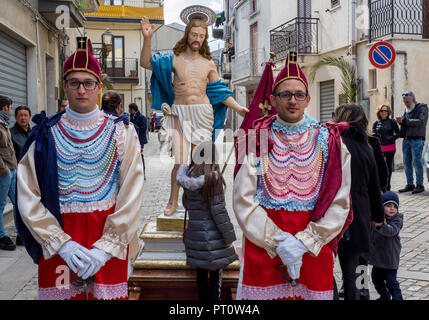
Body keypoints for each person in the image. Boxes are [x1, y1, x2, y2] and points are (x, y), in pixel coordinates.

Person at [16, 37, 144, 300]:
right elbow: (26, 193)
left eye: (88, 83)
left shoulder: (122, 132)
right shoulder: (45, 133)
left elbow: (132, 191)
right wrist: (61, 244)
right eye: (74, 83)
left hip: (106, 233)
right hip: (61, 233)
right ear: (65, 86)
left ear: (98, 86)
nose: (81, 90)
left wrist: (106, 248)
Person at [232, 52, 353, 300]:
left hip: (312, 248)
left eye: (299, 94)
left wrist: (305, 242)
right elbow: (243, 199)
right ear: (273, 99)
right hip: (264, 247)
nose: (292, 100)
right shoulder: (255, 138)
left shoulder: (330, 141)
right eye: (285, 94)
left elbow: (340, 200)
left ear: (308, 99)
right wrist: (276, 240)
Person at [140, 12, 248, 216]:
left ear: (205, 38)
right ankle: (173, 201)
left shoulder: (208, 63)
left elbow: (219, 91)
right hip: (179, 114)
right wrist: (147, 39)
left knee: (201, 162)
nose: (197, 39)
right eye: (194, 34)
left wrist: (239, 109)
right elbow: (146, 63)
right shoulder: (173, 59)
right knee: (180, 160)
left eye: (201, 36)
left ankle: (201, 202)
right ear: (187, 34)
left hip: (202, 114)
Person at [333, 103, 385, 300]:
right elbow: (378, 183)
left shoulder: (334, 142)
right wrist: (378, 216)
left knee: (324, 265)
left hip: (333, 210)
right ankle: (360, 292)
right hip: (360, 212)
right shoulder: (367, 145)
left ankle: (334, 294)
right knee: (355, 266)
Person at [176, 141, 238, 300]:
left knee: (201, 275)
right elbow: (219, 212)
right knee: (216, 275)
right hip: (213, 238)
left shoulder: (188, 174)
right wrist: (229, 237)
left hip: (195, 237)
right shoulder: (213, 178)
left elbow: (186, 203)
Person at [366, 191, 403, 300]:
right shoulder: (376, 218)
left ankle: (398, 298)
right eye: (388, 206)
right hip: (378, 258)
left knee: (392, 282)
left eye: (394, 206)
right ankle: (385, 296)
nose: (392, 208)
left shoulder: (397, 220)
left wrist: (381, 225)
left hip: (390, 259)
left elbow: (391, 231)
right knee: (376, 279)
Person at [396, 91, 428, 194]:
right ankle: (410, 184)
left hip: (417, 140)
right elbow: (406, 121)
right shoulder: (407, 109)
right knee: (406, 162)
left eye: (407, 102)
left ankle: (420, 185)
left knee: (416, 162)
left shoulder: (422, 108)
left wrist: (405, 121)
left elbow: (421, 122)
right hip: (406, 139)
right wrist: (401, 121)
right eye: (404, 102)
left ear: (413, 100)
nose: (406, 104)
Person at [10, 105, 32, 246]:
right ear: (15, 117)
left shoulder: (34, 132)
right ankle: (20, 235)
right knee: (19, 205)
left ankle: (29, 233)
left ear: (29, 117)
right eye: (20, 115)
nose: (23, 118)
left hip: (33, 175)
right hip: (17, 175)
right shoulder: (11, 133)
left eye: (25, 115)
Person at [0, 95, 17, 251]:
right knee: (1, 205)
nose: (10, 111)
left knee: (18, 202)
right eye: (10, 107)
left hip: (12, 169)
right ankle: (1, 236)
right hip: (4, 172)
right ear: (5, 108)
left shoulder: (4, 124)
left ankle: (20, 233)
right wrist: (4, 170)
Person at [372, 104, 400, 191]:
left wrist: (392, 138)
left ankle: (387, 186)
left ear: (388, 112)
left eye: (385, 111)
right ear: (379, 112)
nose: (384, 112)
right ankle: (380, 185)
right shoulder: (376, 123)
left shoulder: (392, 122)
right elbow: (373, 135)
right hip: (379, 148)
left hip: (390, 148)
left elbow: (399, 133)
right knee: (379, 167)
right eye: (382, 111)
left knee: (388, 167)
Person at [129, 103, 148, 180]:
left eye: (130, 109)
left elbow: (144, 129)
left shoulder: (142, 117)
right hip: (132, 140)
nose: (129, 111)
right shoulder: (131, 117)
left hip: (140, 141)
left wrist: (133, 126)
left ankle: (142, 174)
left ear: (133, 109)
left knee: (140, 156)